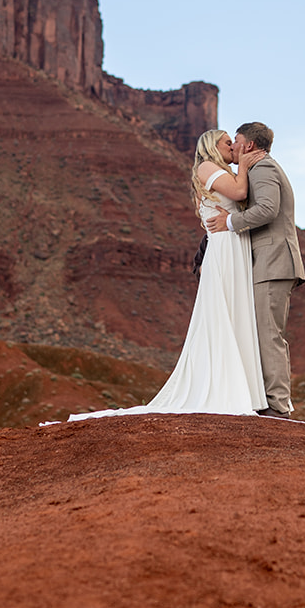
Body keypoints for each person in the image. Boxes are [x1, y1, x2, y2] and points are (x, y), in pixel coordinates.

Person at [67, 128, 269, 419]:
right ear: (213, 146)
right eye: (228, 143)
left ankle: (243, 390)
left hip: (234, 246)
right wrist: (248, 165)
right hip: (225, 249)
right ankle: (226, 390)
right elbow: (239, 192)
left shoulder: (222, 170)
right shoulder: (207, 167)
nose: (233, 147)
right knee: (224, 314)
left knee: (236, 314)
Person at [206, 121, 305, 419]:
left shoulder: (264, 169)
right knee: (263, 332)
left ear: (248, 145)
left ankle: (278, 406)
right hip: (267, 263)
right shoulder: (257, 170)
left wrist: (229, 223)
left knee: (268, 334)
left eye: (235, 141)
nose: (233, 147)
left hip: (273, 262)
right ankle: (267, 400)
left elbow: (267, 209)